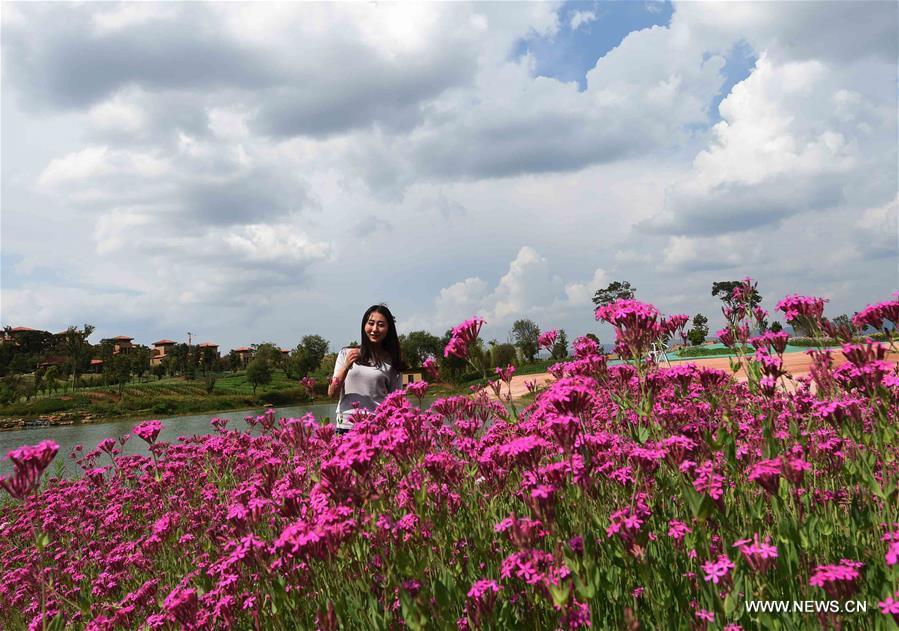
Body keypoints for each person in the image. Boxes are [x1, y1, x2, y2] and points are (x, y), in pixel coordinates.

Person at [328, 304, 406, 434]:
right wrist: (346, 366)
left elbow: (396, 404)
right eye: (371, 323)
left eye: (381, 325)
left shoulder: (393, 362)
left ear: (388, 329)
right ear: (364, 326)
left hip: (376, 428)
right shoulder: (345, 353)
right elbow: (331, 393)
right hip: (346, 426)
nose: (374, 329)